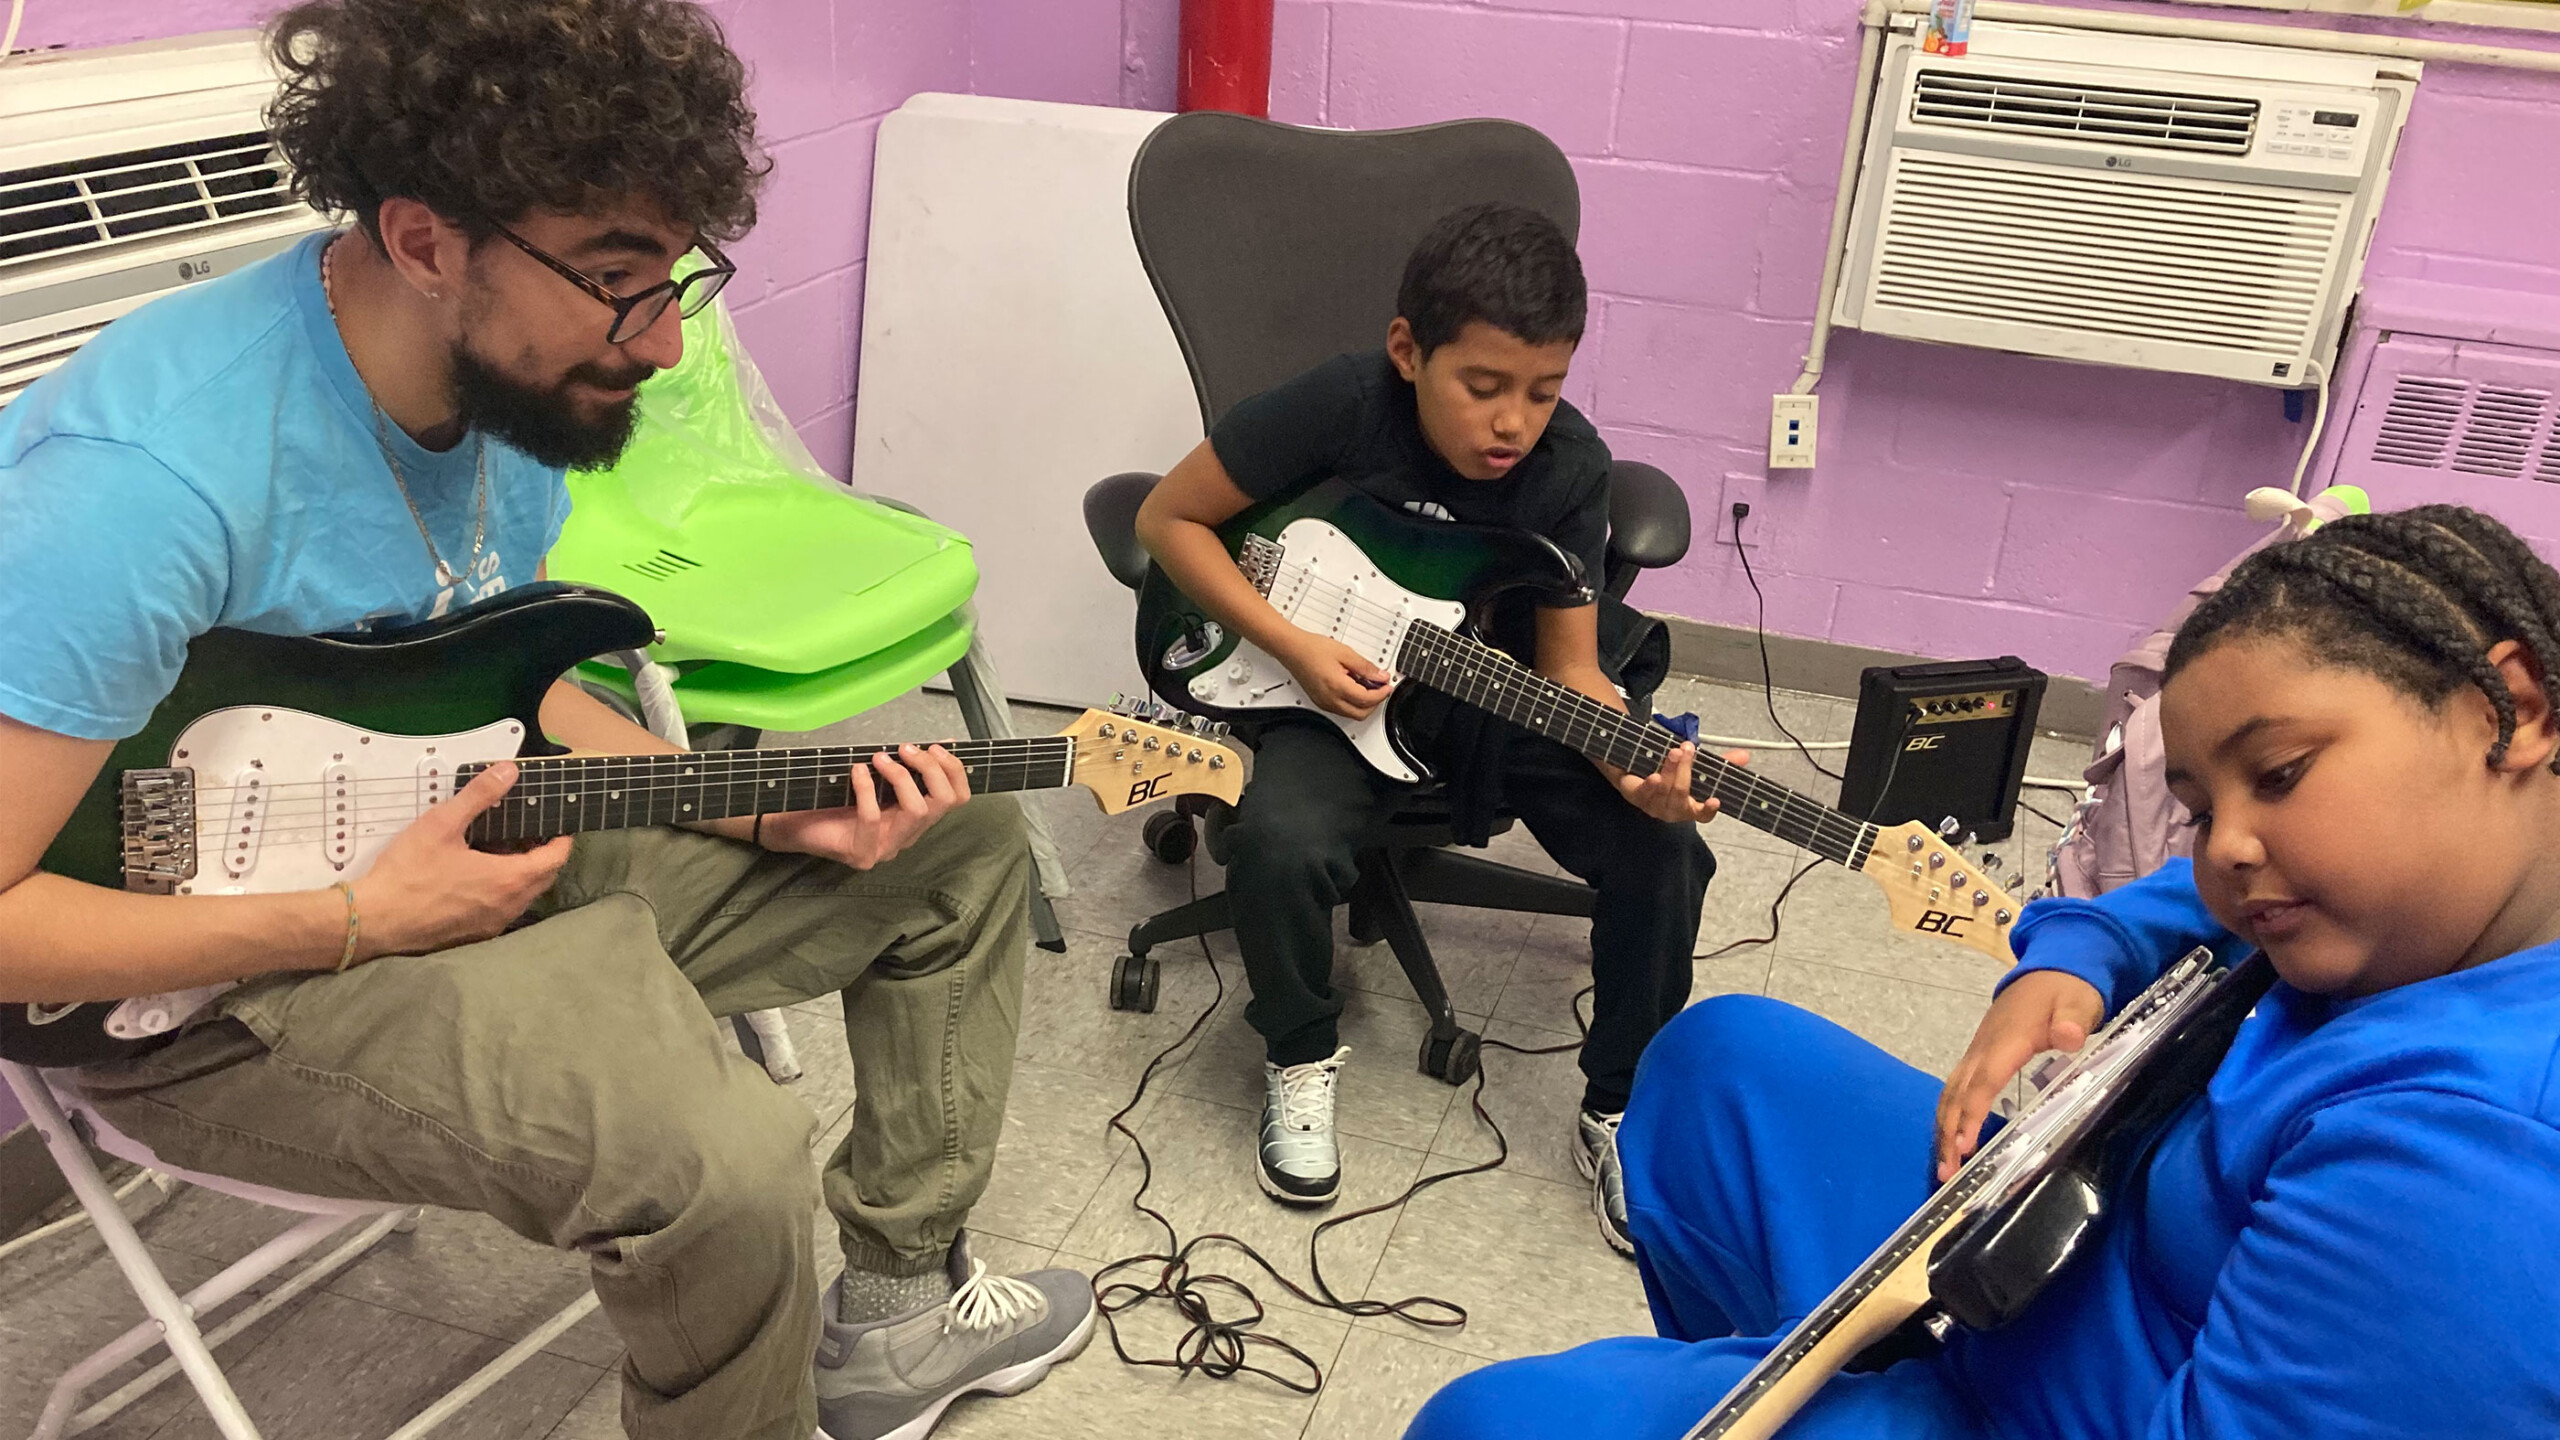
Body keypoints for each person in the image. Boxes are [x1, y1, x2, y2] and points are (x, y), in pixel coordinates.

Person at [0, 4, 1091, 1438]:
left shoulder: (516, 395)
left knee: (960, 845)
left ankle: (897, 1317)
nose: (663, 345)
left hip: (442, 846)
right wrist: (353, 923)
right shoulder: (139, 488)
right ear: (426, 239)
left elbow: (502, 695)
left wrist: (752, 802)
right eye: (616, 280)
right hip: (207, 1000)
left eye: (678, 278)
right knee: (725, 1158)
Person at [1406, 503, 2560, 1437]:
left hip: (2055, 1364)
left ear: (2509, 709)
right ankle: (1791, 1368)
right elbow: (2195, 906)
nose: (2229, 856)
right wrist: (2072, 956)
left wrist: (1954, 1324)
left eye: (2283, 773)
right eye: (2203, 810)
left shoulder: (2480, 1170)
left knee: (1492, 1422)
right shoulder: (2410, 909)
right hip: (2082, 1254)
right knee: (1719, 1062)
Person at [1134, 202, 1723, 1251]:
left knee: (1666, 848)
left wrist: (1634, 768)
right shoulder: (1339, 405)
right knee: (1275, 842)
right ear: (1409, 351)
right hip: (1328, 686)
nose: (1513, 423)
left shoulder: (1566, 470)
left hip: (1495, 699)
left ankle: (1620, 1109)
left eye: (1543, 392)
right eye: (1484, 387)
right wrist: (1296, 648)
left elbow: (1572, 671)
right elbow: (1168, 520)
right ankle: (1297, 1057)